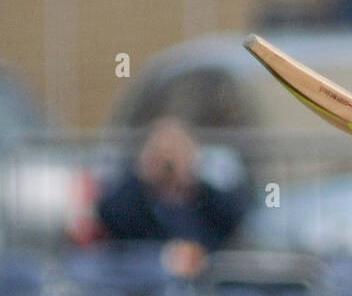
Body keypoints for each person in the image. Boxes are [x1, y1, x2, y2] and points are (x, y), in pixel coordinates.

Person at [96, 117, 245, 275]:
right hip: (146, 281)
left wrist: (192, 179)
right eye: (160, 151)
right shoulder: (134, 197)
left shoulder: (202, 196)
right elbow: (111, 215)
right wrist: (144, 177)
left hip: (204, 278)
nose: (168, 161)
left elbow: (233, 217)